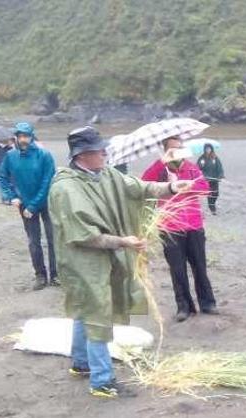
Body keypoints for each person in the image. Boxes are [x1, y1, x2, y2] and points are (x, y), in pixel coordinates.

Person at [49, 126, 194, 398]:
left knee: (87, 309)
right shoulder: (66, 189)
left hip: (106, 255)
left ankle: (81, 364)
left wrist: (172, 186)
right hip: (83, 262)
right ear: (82, 155)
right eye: (99, 150)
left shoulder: (107, 174)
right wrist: (123, 242)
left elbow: (140, 188)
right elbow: (84, 236)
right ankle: (102, 381)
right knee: (97, 313)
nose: (105, 153)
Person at [142, 138, 216, 322]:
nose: (178, 151)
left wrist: (182, 186)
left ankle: (207, 303)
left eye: (180, 147)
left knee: (200, 266)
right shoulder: (159, 169)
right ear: (165, 150)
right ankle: (184, 306)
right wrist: (162, 164)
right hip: (169, 227)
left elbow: (205, 188)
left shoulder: (191, 168)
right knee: (177, 269)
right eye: (173, 148)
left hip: (194, 225)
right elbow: (144, 184)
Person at [0, 122, 58, 290]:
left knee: (53, 239)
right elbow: (2, 178)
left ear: (32, 137)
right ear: (16, 137)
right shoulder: (10, 156)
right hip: (24, 204)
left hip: (46, 202)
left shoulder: (45, 155)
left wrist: (33, 206)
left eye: (27, 136)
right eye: (20, 136)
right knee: (33, 241)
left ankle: (55, 274)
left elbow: (47, 182)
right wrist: (11, 197)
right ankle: (40, 275)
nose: (23, 139)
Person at [197, 143, 224, 215]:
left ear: (211, 149)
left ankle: (213, 204)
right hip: (206, 180)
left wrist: (221, 175)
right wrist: (202, 175)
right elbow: (198, 168)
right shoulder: (202, 159)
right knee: (210, 194)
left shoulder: (215, 158)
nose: (208, 150)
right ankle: (212, 208)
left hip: (215, 179)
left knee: (216, 194)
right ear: (204, 150)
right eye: (206, 149)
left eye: (209, 149)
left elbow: (219, 167)